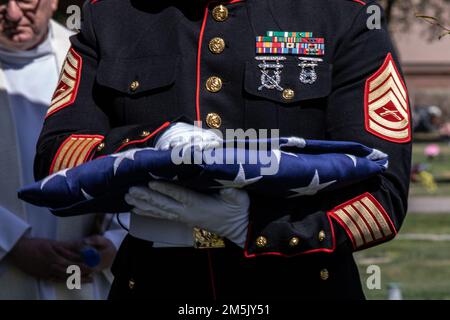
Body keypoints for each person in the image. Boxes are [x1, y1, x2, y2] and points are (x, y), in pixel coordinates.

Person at [34, 0, 412, 300]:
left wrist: (258, 226)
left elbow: (383, 194)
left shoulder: (342, 14)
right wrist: (150, 143)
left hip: (301, 285)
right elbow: (57, 157)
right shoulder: (111, 15)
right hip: (155, 284)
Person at [0, 0, 127, 299]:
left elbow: (131, 148)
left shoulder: (93, 55)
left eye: (26, 0)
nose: (15, 14)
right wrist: (11, 242)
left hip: (86, 275)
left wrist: (115, 240)